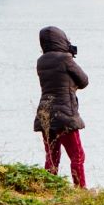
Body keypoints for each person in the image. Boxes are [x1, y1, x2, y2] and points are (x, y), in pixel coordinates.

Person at [34, 24, 88, 189]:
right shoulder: (65, 59)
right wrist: (69, 55)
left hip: (45, 114)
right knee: (77, 155)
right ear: (62, 40)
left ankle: (48, 189)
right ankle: (80, 190)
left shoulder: (41, 61)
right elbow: (84, 80)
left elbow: (56, 81)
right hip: (65, 115)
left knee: (52, 156)